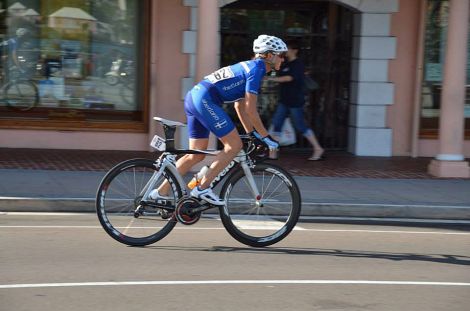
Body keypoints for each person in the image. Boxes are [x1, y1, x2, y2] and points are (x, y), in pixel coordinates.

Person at [151, 34, 287, 206]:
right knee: (234, 146)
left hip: (194, 97)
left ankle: (160, 193)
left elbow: (241, 107)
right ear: (269, 55)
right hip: (205, 100)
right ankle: (202, 188)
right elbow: (251, 110)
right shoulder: (257, 69)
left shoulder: (250, 67)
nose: (283, 59)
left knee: (197, 154)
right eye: (281, 55)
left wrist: (252, 133)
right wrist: (266, 137)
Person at [267, 39, 324, 161]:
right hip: (284, 100)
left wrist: (272, 80)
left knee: (300, 126)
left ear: (294, 50)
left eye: (287, 48)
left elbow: (289, 78)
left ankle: (318, 148)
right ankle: (272, 153)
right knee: (277, 124)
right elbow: (277, 73)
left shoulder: (298, 64)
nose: (285, 50)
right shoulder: (286, 63)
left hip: (295, 101)